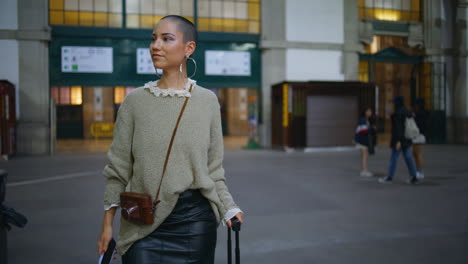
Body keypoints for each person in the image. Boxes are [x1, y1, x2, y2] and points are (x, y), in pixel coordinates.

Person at [97, 15, 244, 264]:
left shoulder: (207, 102)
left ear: (189, 48)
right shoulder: (135, 102)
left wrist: (228, 206)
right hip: (142, 222)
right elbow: (118, 169)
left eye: (167, 39)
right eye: (153, 39)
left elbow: (213, 169)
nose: (156, 45)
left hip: (194, 223)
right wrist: (107, 225)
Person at [379, 96, 419, 184]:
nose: (393, 104)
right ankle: (414, 176)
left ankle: (389, 177)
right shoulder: (406, 111)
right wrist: (392, 115)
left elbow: (398, 128)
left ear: (397, 104)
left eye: (394, 103)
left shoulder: (398, 113)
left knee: (394, 158)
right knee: (408, 157)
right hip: (407, 139)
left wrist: (398, 141)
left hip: (399, 140)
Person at [354, 107, 377, 177]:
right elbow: (362, 131)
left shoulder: (367, 120)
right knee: (364, 156)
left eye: (371, 111)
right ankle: (364, 171)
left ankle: (364, 170)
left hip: (363, 141)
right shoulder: (363, 120)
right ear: (365, 112)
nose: (370, 112)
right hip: (361, 141)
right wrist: (372, 129)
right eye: (369, 111)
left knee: (365, 156)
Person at [412, 98, 428, 179]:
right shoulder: (419, 113)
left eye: (416, 105)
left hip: (419, 136)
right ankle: (417, 170)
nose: (415, 106)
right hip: (417, 135)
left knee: (418, 154)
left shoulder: (421, 114)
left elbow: (419, 125)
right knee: (415, 154)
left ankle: (420, 171)